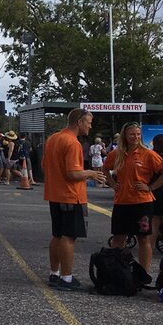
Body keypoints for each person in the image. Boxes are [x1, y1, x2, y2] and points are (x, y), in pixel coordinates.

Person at [43, 109, 108, 290]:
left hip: (54, 194)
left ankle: (54, 273)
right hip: (71, 196)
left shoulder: (53, 139)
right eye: (89, 121)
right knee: (68, 237)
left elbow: (44, 165)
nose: (90, 125)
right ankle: (67, 278)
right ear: (79, 122)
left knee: (57, 234)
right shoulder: (73, 143)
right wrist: (91, 173)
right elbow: (72, 174)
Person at [104, 122, 163, 276]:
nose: (135, 137)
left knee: (144, 239)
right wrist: (113, 183)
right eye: (132, 134)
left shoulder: (148, 154)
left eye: (138, 134)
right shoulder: (117, 154)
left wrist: (150, 187)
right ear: (125, 136)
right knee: (118, 239)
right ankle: (116, 272)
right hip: (121, 202)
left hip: (142, 202)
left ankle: (143, 274)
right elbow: (105, 169)